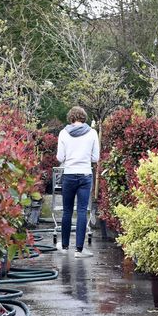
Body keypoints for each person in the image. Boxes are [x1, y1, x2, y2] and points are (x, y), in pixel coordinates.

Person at [56, 106, 100, 258]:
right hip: (85, 175)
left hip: (69, 175)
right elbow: (95, 158)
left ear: (71, 117)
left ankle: (64, 246)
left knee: (67, 210)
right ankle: (79, 250)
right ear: (83, 117)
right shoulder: (92, 133)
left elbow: (60, 157)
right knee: (82, 210)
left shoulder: (63, 133)